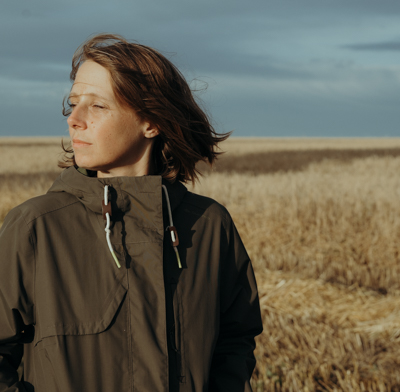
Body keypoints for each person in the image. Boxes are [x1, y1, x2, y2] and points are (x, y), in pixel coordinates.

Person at [0, 34, 263, 392]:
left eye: (97, 106)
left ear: (151, 121)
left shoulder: (209, 225)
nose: (74, 119)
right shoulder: (36, 227)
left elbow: (235, 341)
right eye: (73, 103)